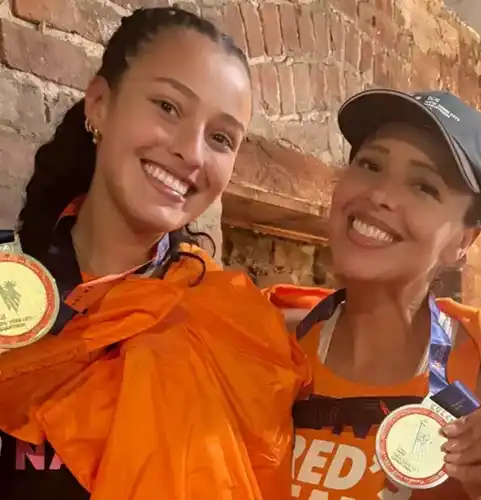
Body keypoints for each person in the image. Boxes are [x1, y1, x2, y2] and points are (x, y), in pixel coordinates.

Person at [0, 7, 309, 500]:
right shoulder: (10, 286)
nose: (192, 151)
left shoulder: (239, 326)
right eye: (168, 106)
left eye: (221, 137)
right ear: (100, 103)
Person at [264, 89, 481, 499]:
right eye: (371, 165)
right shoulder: (259, 343)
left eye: (424, 186)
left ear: (463, 240)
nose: (380, 195)